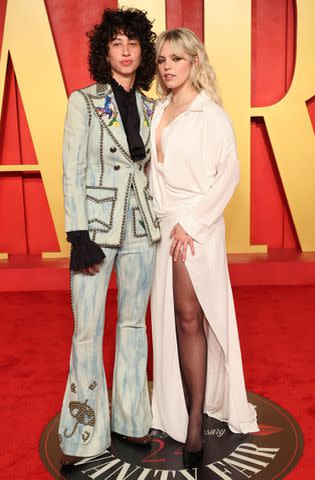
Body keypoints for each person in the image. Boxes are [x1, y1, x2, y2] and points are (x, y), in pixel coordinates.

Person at [149, 28, 259, 468]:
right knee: (178, 318)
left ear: (195, 61)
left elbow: (227, 177)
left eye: (177, 58)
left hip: (196, 228)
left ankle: (195, 420)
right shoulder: (157, 110)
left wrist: (190, 223)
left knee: (191, 316)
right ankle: (179, 406)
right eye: (161, 60)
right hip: (165, 227)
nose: (168, 66)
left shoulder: (211, 114)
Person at [58, 8, 160, 466]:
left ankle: (131, 419)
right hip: (95, 232)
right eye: (116, 43)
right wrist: (78, 233)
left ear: (143, 53)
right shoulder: (83, 101)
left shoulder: (152, 108)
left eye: (133, 44)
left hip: (141, 228)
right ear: (105, 52)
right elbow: (72, 172)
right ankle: (82, 437)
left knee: (134, 326)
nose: (125, 51)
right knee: (87, 331)